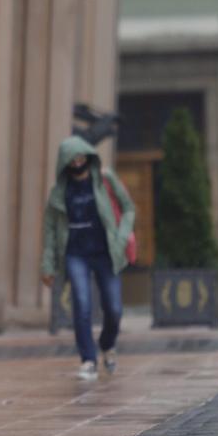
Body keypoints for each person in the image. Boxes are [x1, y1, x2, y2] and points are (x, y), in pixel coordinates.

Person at [41, 136, 135, 382]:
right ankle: (88, 359)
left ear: (89, 157)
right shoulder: (58, 193)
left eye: (82, 157)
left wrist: (122, 236)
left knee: (114, 309)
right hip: (75, 254)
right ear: (64, 163)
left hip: (106, 253)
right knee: (81, 305)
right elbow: (50, 230)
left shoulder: (105, 179)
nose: (78, 162)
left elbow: (129, 208)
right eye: (72, 159)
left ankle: (107, 344)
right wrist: (48, 265)